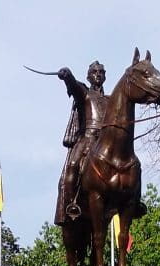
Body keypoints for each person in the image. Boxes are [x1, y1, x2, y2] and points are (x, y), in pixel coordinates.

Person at [54, 61, 107, 225]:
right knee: (73, 165)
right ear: (88, 76)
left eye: (101, 72)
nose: (98, 74)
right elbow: (74, 86)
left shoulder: (111, 99)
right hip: (87, 138)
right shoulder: (84, 93)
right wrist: (68, 76)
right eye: (95, 72)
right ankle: (72, 204)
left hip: (105, 140)